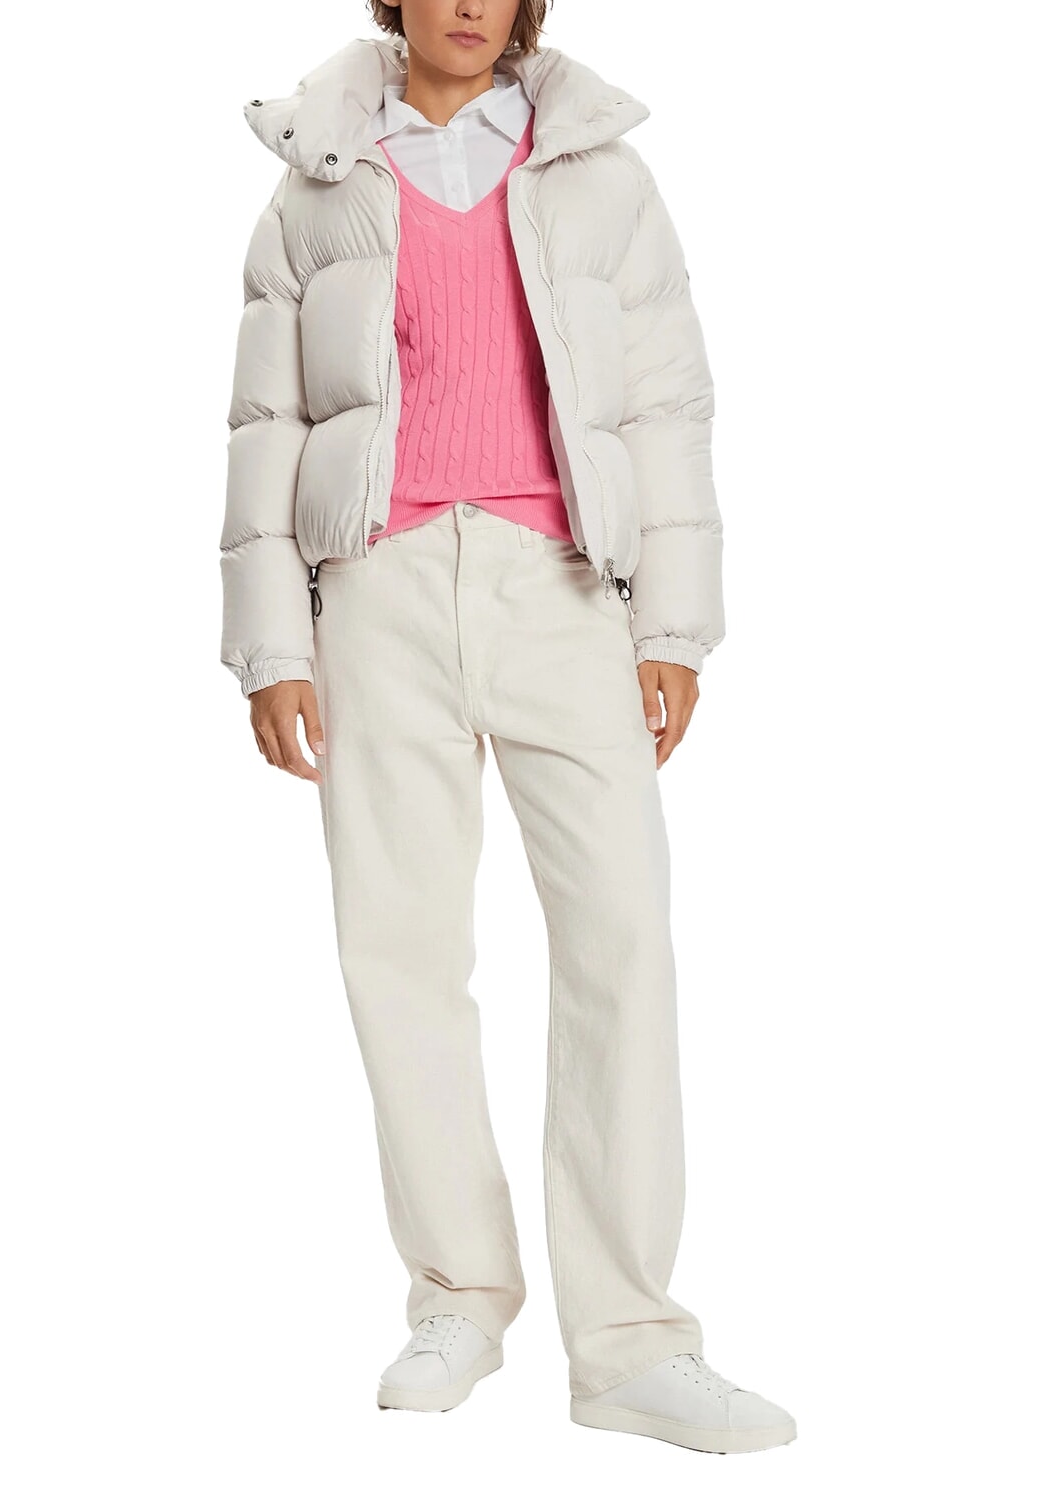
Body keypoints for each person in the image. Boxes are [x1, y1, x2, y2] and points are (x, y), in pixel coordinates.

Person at [219, 0, 795, 1455]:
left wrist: (672, 627)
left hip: (563, 589)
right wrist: (272, 646)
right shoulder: (318, 181)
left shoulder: (600, 170)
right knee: (399, 950)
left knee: (621, 943)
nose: (472, 4)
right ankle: (457, 1297)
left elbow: (666, 405)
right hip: (382, 590)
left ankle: (630, 1344)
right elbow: (265, 423)